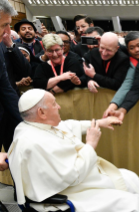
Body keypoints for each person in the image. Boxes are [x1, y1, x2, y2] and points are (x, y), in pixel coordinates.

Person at [8, 89, 139, 212]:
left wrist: (100, 123)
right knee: (131, 202)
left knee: (130, 177)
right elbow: (72, 176)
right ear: (41, 112)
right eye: (54, 104)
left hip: (77, 183)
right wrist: (90, 145)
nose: (58, 107)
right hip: (67, 194)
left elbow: (69, 126)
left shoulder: (32, 125)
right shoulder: (33, 143)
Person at [0, 1, 23, 211]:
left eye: (9, 25)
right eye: (2, 25)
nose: (8, 31)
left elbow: (5, 87)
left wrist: (25, 123)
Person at [103, 32, 139, 117]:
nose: (137, 50)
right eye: (132, 48)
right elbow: (126, 85)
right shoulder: (130, 64)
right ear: (128, 50)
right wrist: (112, 107)